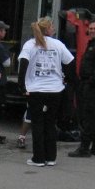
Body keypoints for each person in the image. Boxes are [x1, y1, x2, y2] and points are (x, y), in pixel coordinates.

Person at [18, 17, 74, 167]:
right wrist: (67, 80)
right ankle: (51, 157)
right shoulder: (58, 44)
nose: (54, 28)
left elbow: (23, 64)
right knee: (50, 123)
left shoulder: (30, 44)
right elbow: (70, 63)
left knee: (37, 124)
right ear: (48, 29)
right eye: (52, 26)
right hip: (55, 90)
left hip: (36, 90)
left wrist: (22, 86)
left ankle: (38, 158)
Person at [69, 17, 95, 157]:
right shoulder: (94, 43)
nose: (93, 31)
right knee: (94, 116)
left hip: (93, 85)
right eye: (91, 28)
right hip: (90, 84)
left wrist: (91, 81)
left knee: (87, 116)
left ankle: (84, 148)